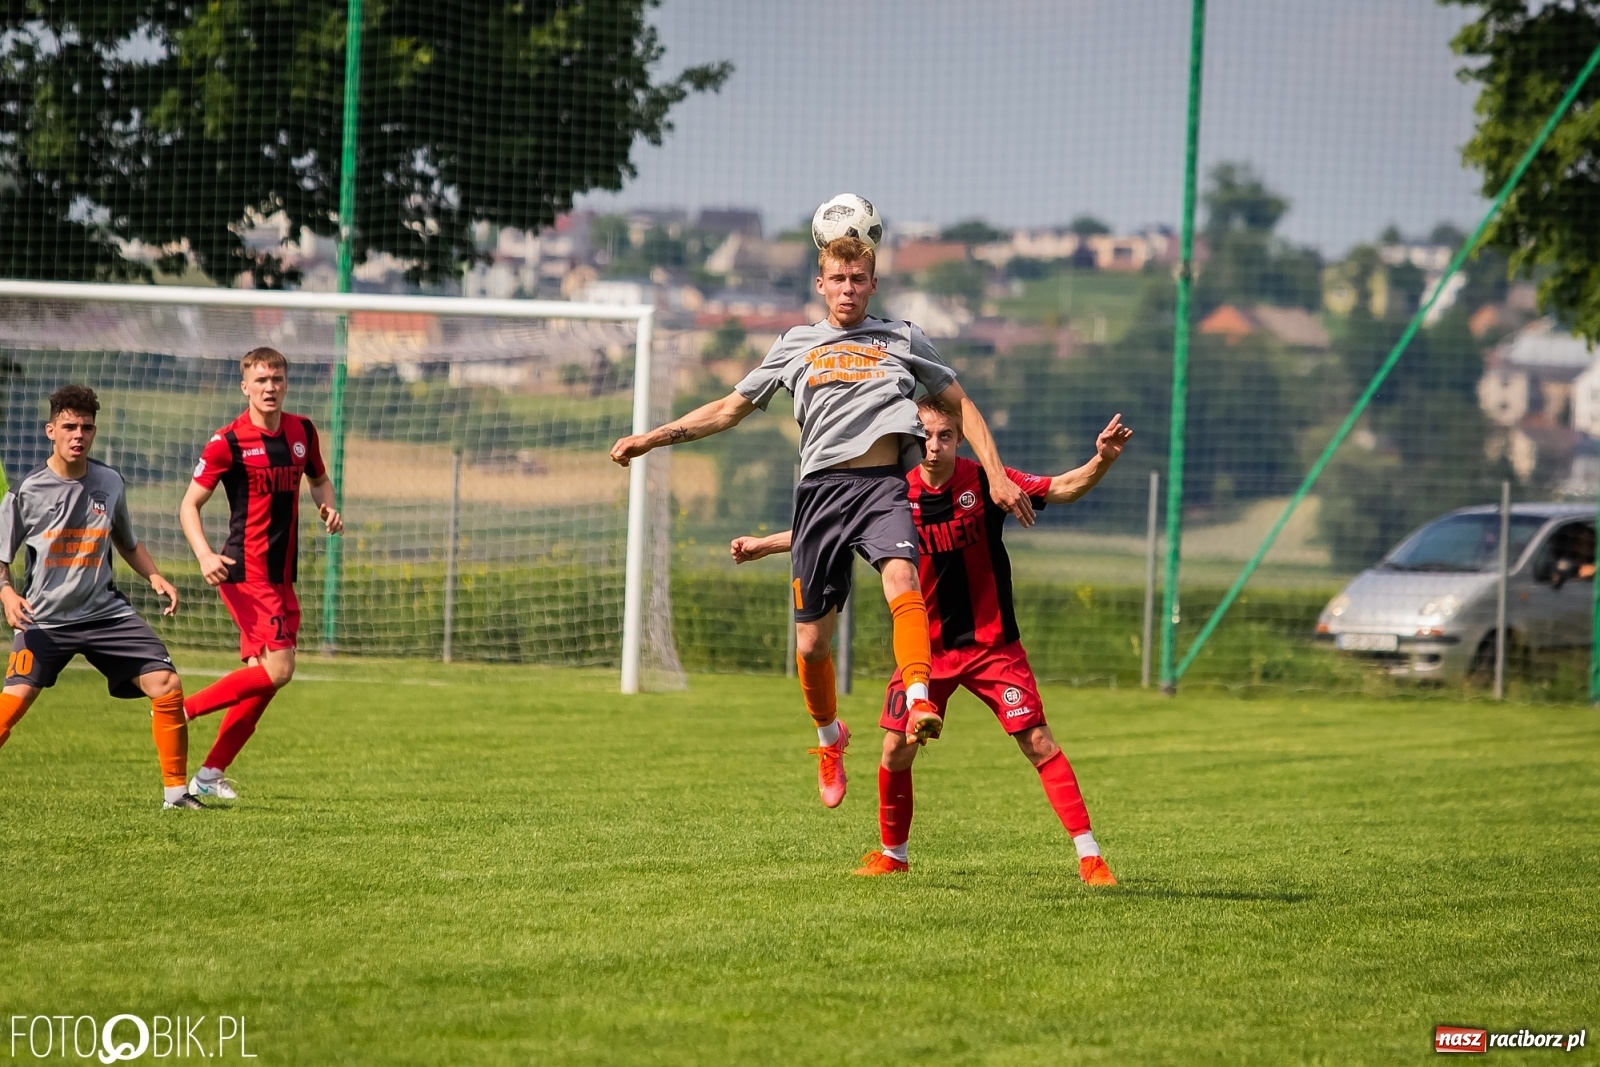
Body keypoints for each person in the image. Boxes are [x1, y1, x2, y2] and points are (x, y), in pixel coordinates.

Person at [611, 235, 1031, 808]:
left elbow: (963, 405)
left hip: (883, 485)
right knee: (811, 645)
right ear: (821, 284)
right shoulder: (796, 344)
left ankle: (918, 697)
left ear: (873, 283)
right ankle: (830, 737)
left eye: (858, 279)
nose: (848, 289)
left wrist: (998, 474)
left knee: (902, 581)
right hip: (819, 493)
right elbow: (729, 409)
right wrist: (651, 438)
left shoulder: (902, 338)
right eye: (838, 279)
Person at [731, 395, 1131, 885]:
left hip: (992, 646)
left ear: (960, 439)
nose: (933, 446)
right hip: (925, 653)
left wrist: (1101, 461)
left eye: (944, 436)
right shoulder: (892, 497)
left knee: (1037, 740)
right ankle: (894, 855)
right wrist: (761, 545)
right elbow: (826, 528)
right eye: (924, 436)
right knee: (894, 750)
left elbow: (1063, 488)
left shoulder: (985, 480)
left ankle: (1089, 857)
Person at [0, 385, 199, 809]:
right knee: (12, 707)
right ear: (50, 430)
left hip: (106, 615)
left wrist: (155, 576)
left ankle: (177, 794)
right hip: (46, 619)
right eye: (69, 426)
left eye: (86, 427)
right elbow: (1, 556)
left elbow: (127, 541)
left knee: (167, 685)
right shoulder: (26, 492)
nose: (78, 435)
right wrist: (7, 594)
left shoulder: (109, 482)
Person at [178, 347, 342, 799]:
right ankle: (180, 709)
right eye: (261, 380)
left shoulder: (302, 430)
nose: (270, 387)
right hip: (244, 572)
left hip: (282, 575)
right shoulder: (226, 441)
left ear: (285, 383)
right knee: (280, 669)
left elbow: (318, 480)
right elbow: (189, 506)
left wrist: (328, 506)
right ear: (245, 386)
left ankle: (209, 775)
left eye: (277, 379)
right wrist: (204, 555)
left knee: (262, 683)